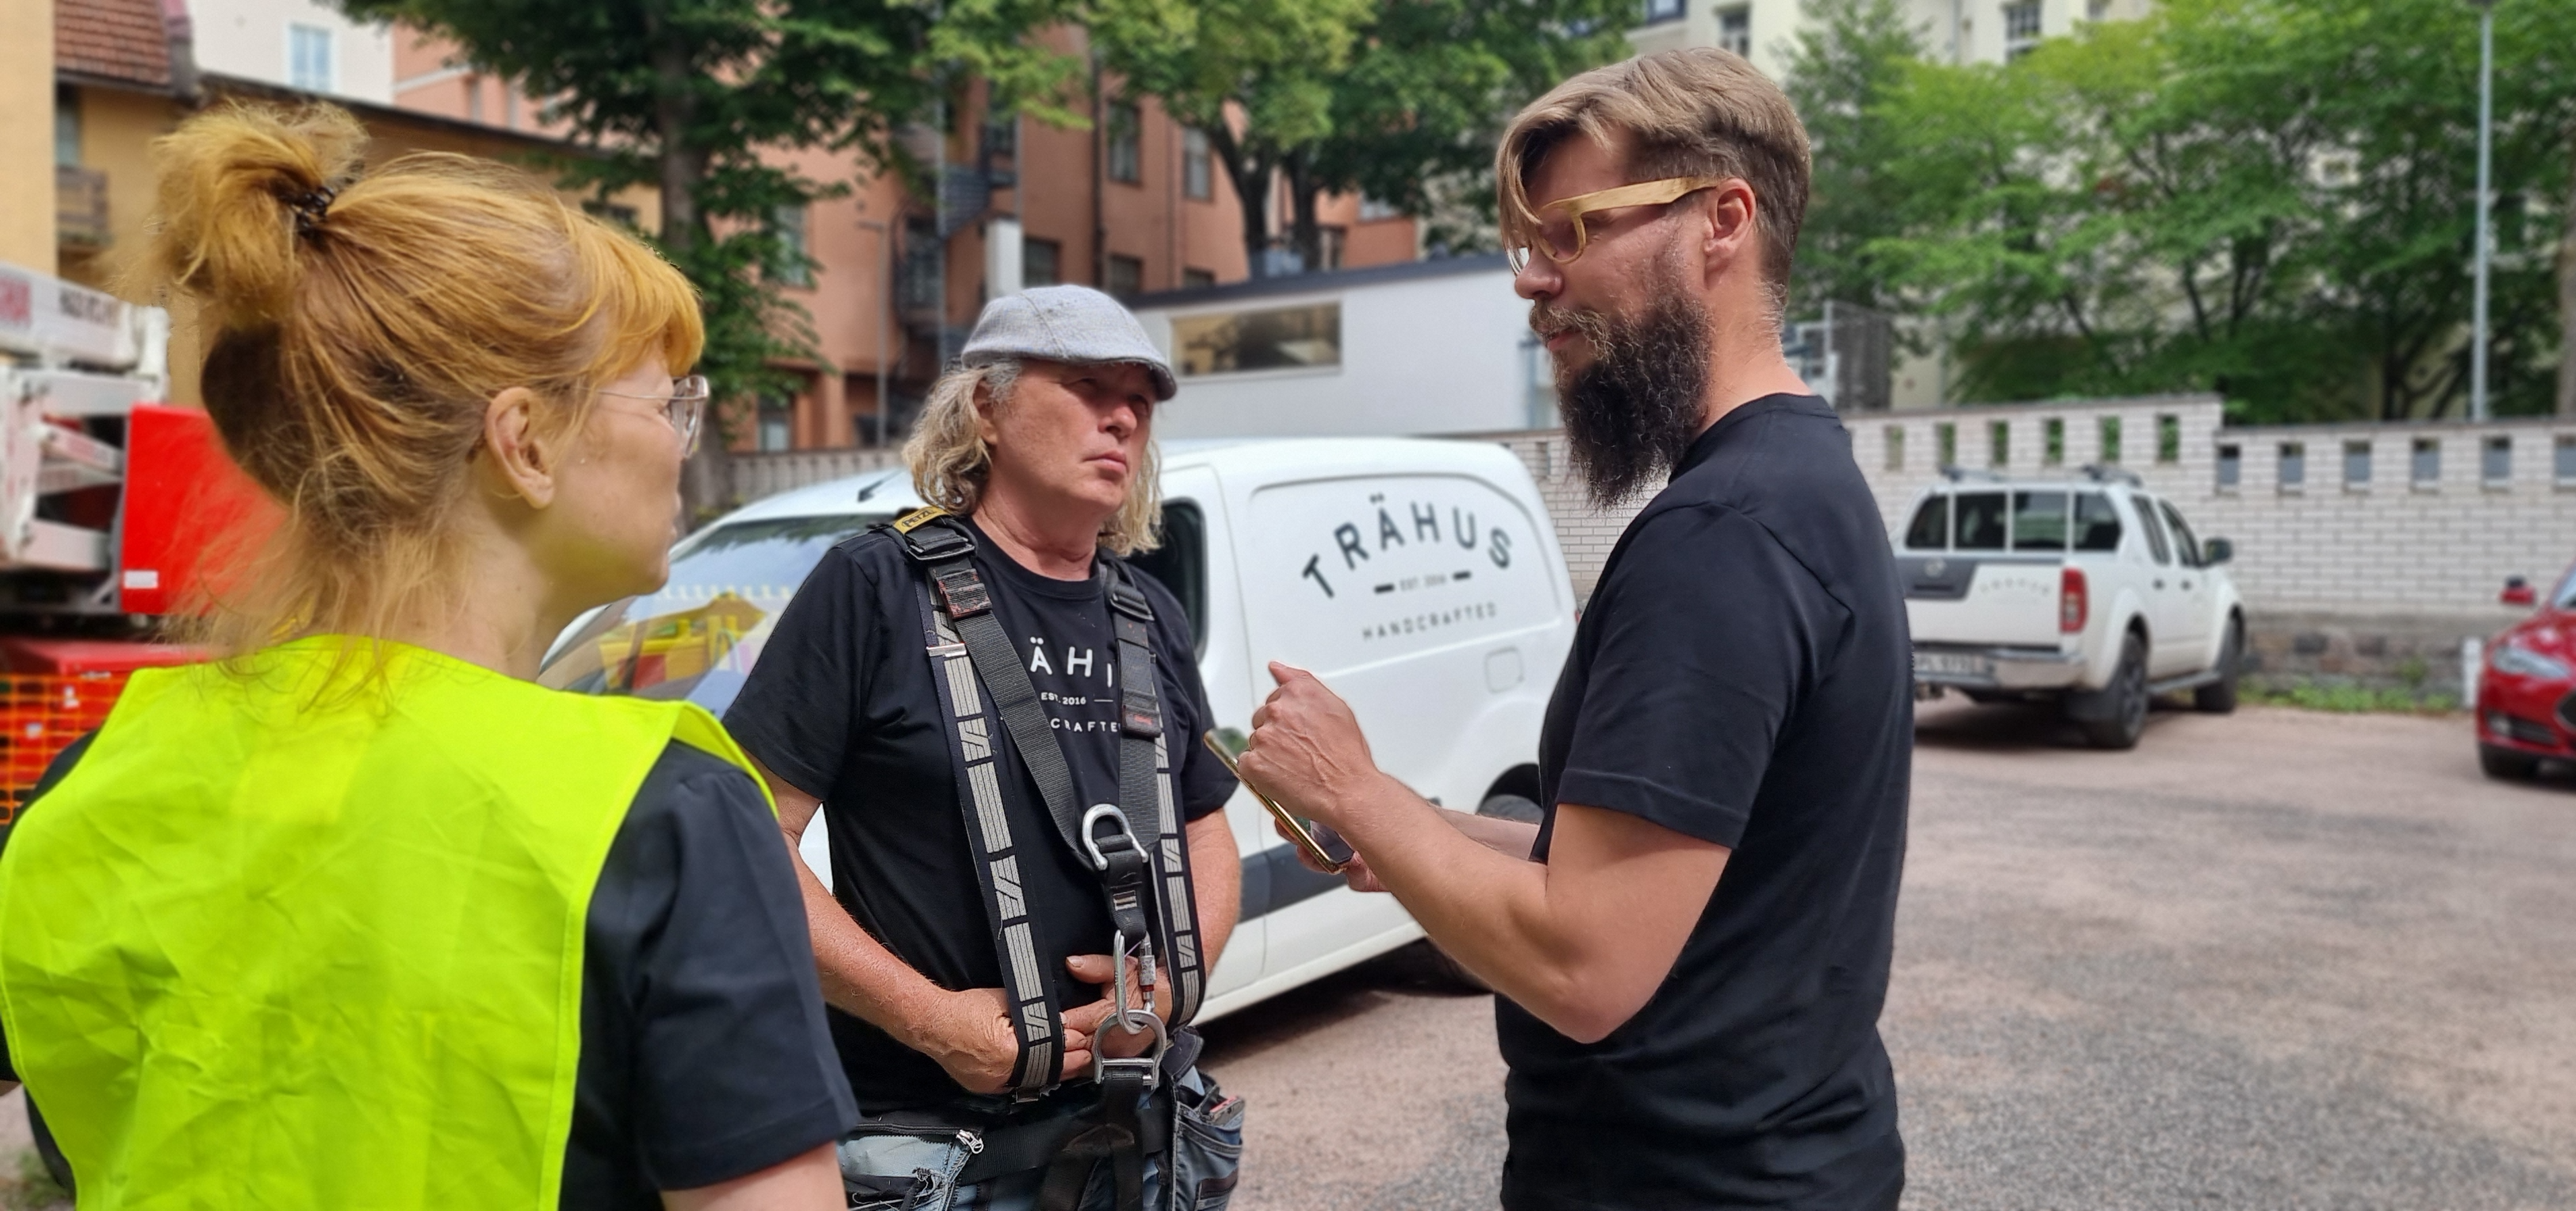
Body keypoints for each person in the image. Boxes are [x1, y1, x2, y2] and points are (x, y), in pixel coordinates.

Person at [0, 104, 856, 1210]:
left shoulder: (92, 785)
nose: (686, 437)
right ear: (525, 441)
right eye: (670, 399)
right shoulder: (658, 811)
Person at [1238, 48, 1914, 1210]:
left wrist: (1357, 792)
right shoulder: (1804, 481)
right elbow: (1671, 869)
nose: (1534, 283)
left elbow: (1586, 961)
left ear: (1722, 222)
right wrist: (1413, 834)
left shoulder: (1722, 535)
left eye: (1574, 232)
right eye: (1527, 246)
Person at [723, 285, 1244, 1210]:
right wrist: (931, 1022)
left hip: (1148, 1137)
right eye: (1088, 386)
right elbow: (748, 837)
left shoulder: (1147, 614)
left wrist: (1170, 993)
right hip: (939, 1156)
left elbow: (1203, 828)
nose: (1122, 417)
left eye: (1141, 401)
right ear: (987, 406)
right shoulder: (873, 589)